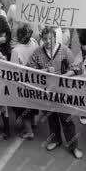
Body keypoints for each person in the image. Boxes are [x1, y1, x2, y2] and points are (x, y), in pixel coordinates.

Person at [28, 27, 82, 159]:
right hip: (46, 92)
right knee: (51, 118)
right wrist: (45, 71)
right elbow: (29, 69)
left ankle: (73, 146)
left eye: (50, 39)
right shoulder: (37, 52)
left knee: (67, 120)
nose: (47, 42)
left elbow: (75, 68)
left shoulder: (64, 50)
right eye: (45, 39)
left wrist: (62, 75)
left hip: (63, 92)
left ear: (55, 38)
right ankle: (56, 139)